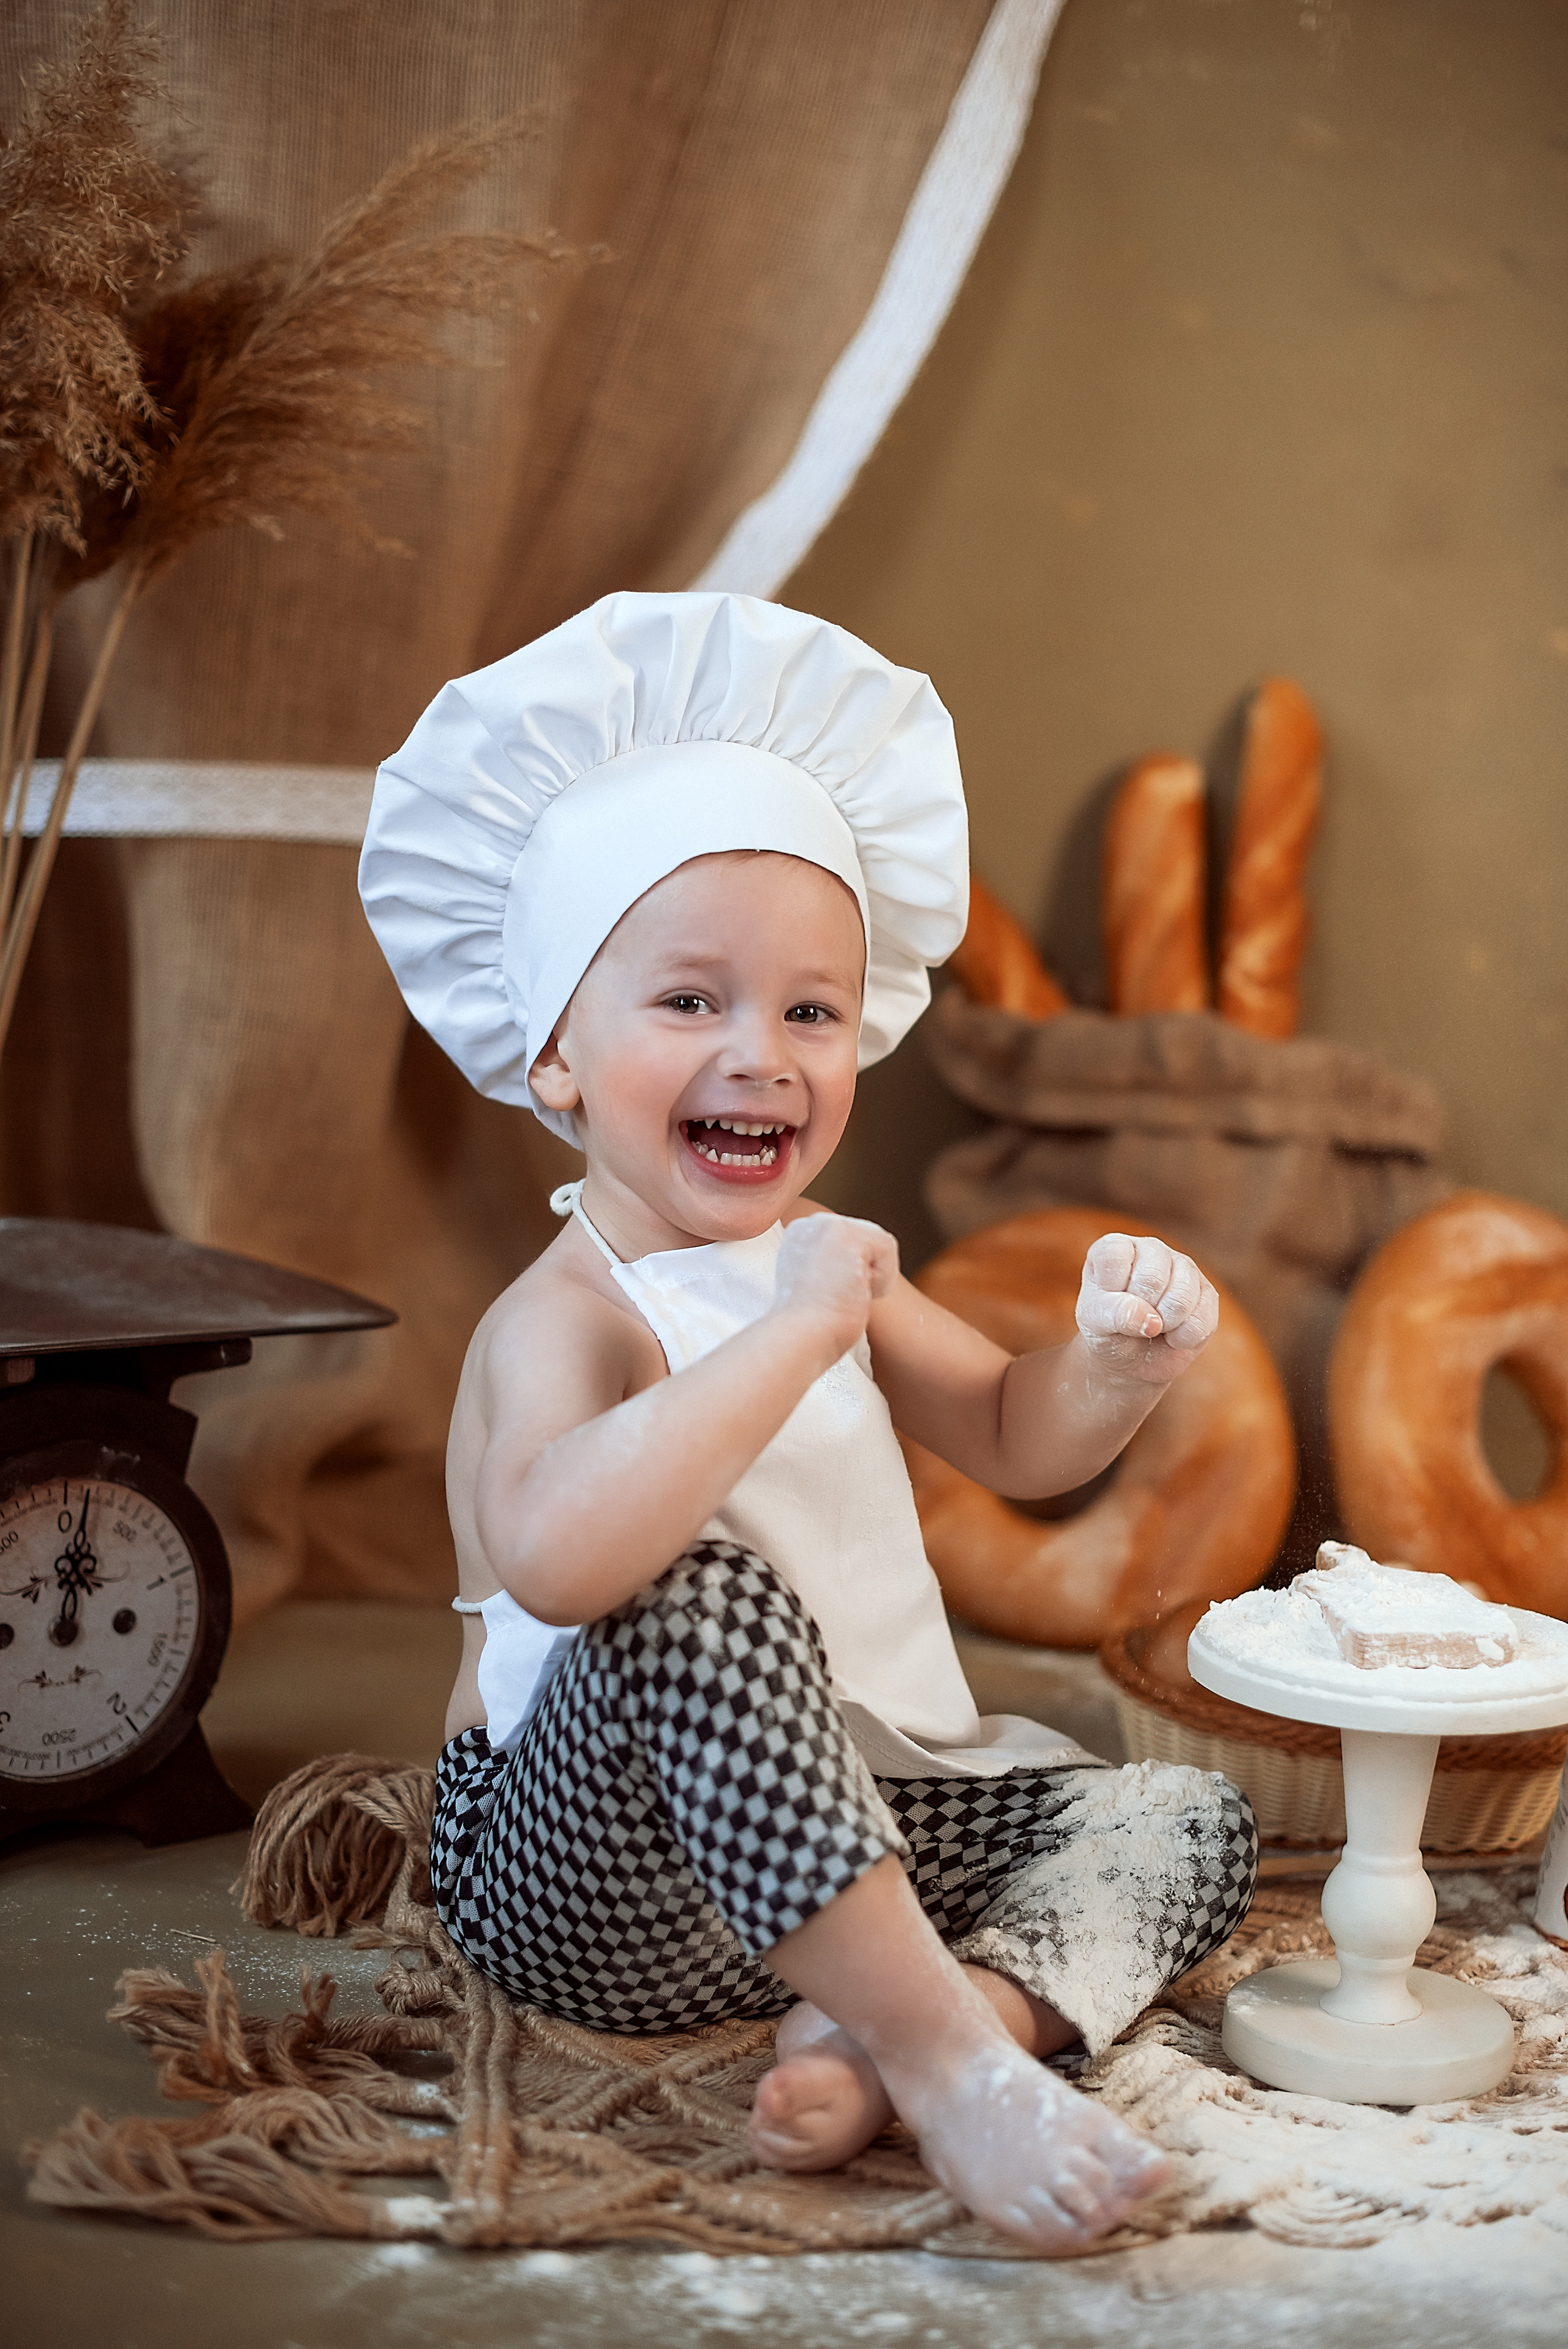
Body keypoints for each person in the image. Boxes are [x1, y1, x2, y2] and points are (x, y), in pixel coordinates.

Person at [359, 592, 1257, 2253]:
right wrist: (786, 1340)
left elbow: (1007, 1431)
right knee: (689, 1583)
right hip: (594, 1881)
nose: (759, 1055)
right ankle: (953, 2068)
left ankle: (922, 2018)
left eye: (810, 1010)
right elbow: (560, 1562)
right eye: (690, 1002)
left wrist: (1114, 1366)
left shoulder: (822, 1264)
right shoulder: (563, 1318)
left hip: (856, 1828)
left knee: (1180, 1811)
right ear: (556, 1050)